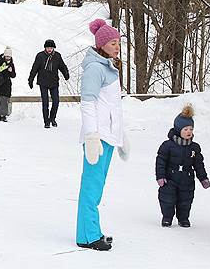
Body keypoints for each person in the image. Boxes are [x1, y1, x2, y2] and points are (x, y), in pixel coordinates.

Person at [76, 18, 128, 251]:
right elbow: (88, 104)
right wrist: (91, 136)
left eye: (118, 42)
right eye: (112, 43)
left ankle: (91, 230)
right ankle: (88, 236)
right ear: (101, 45)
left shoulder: (109, 68)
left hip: (107, 136)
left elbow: (112, 107)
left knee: (98, 186)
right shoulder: (95, 69)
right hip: (97, 138)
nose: (116, 46)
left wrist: (121, 136)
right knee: (91, 186)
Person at [155, 104, 210, 228]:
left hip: (187, 179)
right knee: (167, 199)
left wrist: (203, 178)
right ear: (178, 130)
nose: (189, 132)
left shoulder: (194, 147)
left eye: (191, 129)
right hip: (170, 178)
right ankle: (167, 217)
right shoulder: (167, 145)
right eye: (185, 129)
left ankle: (183, 218)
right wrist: (160, 176)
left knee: (186, 200)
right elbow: (161, 161)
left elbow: (199, 164)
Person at [28, 39, 70, 128]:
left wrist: (66, 73)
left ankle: (52, 118)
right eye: (48, 47)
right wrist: (30, 79)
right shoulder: (40, 56)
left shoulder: (57, 56)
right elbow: (34, 68)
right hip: (43, 82)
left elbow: (62, 66)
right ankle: (46, 121)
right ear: (45, 48)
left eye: (51, 47)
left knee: (56, 101)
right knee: (45, 102)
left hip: (54, 82)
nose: (49, 49)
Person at [0, 48, 16, 122]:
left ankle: (0, 114)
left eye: (9, 57)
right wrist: (1, 69)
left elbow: (13, 75)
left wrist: (11, 71)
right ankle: (2, 115)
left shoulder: (11, 64)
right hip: (0, 83)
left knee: (4, 99)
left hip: (7, 84)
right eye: (6, 56)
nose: (7, 58)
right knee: (3, 99)